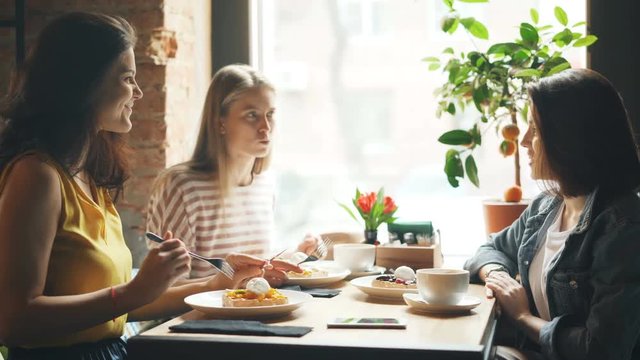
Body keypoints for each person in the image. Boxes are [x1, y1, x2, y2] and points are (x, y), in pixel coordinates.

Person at [0, 12, 298, 360]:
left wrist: (216, 283)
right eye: (127, 78)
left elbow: (125, 303)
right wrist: (131, 293)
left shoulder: (88, 176)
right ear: (86, 84)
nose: (139, 92)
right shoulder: (36, 176)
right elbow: (13, 320)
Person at [464, 68, 640, 360]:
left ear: (567, 139)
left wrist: (522, 316)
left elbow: (599, 350)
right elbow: (489, 248)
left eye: (534, 129)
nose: (523, 141)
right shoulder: (547, 206)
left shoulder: (624, 228)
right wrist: (498, 276)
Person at [145, 64, 317, 285]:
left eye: (270, 114)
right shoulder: (181, 187)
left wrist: (296, 256)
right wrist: (226, 279)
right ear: (220, 123)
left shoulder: (264, 185)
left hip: (255, 313)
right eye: (252, 115)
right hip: (198, 319)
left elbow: (253, 273)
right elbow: (163, 289)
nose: (266, 127)